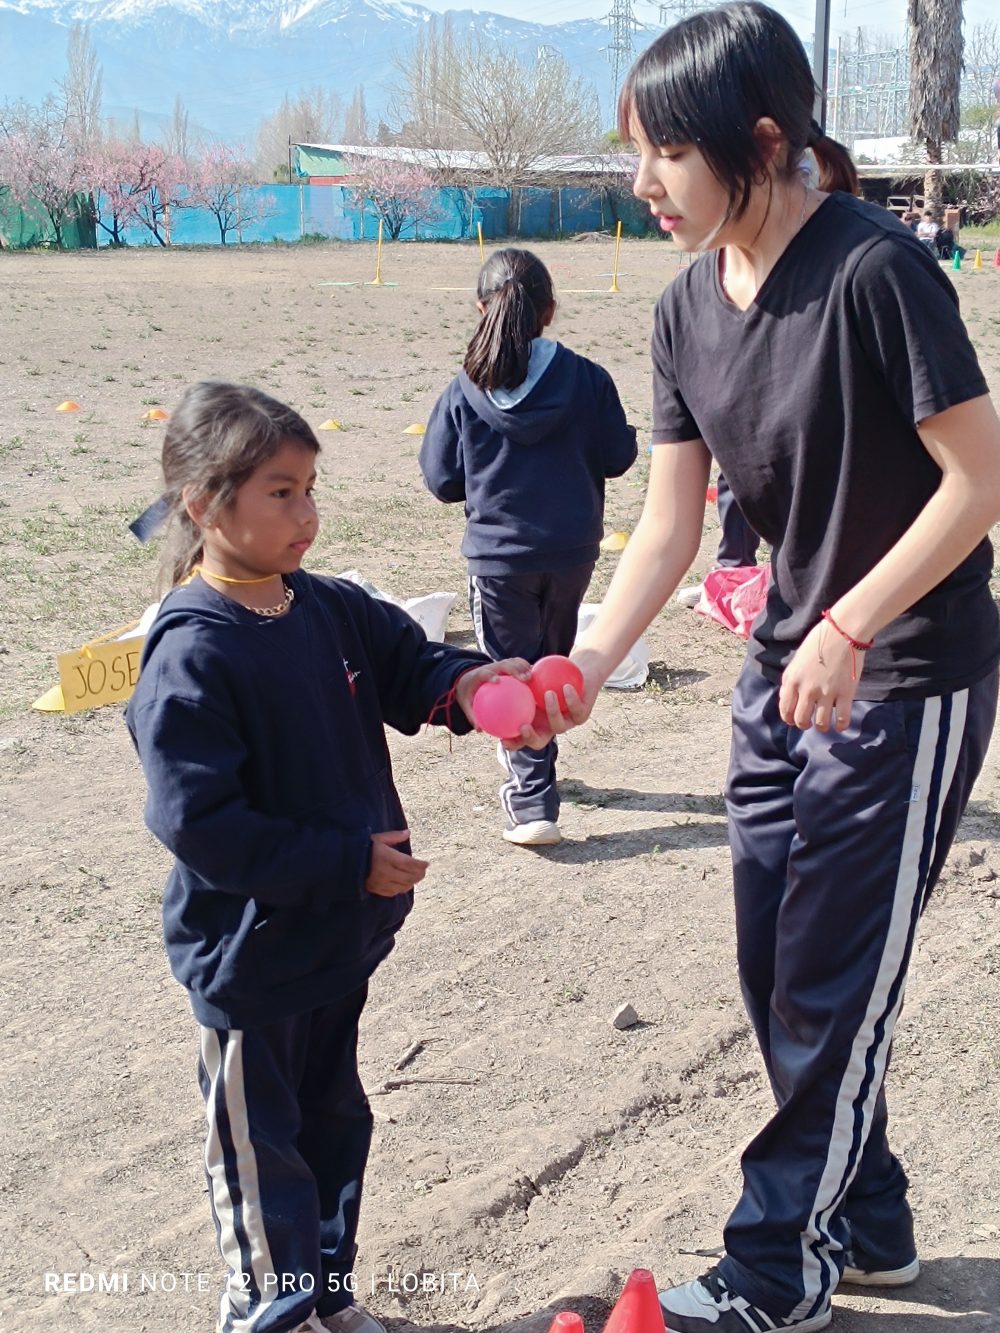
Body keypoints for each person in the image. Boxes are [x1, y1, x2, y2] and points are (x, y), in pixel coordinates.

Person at [525, 4, 1000, 1329]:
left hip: (905, 668)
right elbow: (672, 521)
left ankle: (776, 1270)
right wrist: (590, 658)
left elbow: (982, 478)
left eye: (664, 157)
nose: (642, 188)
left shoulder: (878, 272)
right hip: (786, 668)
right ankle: (873, 1216)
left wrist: (853, 623)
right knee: (777, 965)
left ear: (766, 140)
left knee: (832, 973)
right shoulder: (685, 309)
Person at [126, 381, 526, 1333]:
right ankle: (270, 1309)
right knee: (263, 1149)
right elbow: (203, 824)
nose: (307, 513)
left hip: (335, 944)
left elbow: (408, 662)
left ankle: (326, 1294)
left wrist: (469, 683)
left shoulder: (327, 607)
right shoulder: (191, 655)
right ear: (201, 504)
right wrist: (346, 860)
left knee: (334, 1125)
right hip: (252, 958)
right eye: (280, 492)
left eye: (310, 487)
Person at [418, 247, 637, 847]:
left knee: (507, 673)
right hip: (571, 552)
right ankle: (542, 772)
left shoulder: (463, 390)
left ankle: (533, 801)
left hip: (498, 560)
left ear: (482, 309)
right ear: (550, 311)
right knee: (548, 663)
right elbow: (619, 457)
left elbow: (441, 481)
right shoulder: (588, 378)